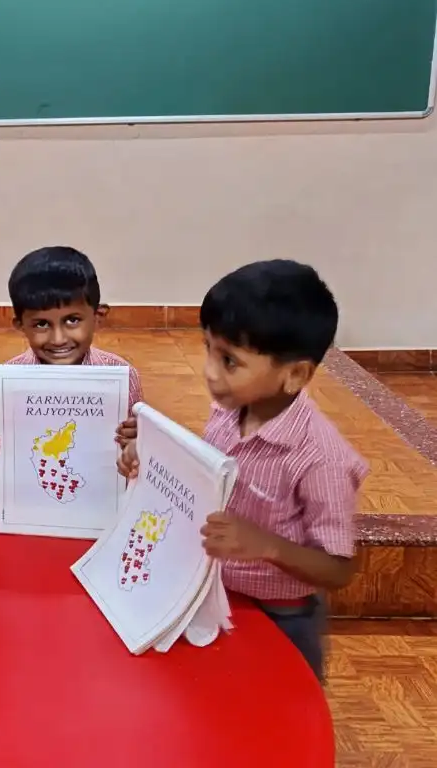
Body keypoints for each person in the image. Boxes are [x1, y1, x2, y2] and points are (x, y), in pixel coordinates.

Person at [118, 260, 366, 681]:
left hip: (282, 619)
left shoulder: (321, 459)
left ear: (295, 375)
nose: (210, 371)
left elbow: (339, 569)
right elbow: (204, 475)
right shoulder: (227, 411)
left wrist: (267, 546)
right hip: (213, 593)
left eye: (230, 360)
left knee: (282, 713)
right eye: (208, 349)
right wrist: (149, 459)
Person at [0, 246, 142, 460]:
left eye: (72, 320)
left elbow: (137, 447)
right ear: (20, 325)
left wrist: (139, 439)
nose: (58, 339)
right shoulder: (9, 379)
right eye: (41, 324)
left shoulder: (122, 375)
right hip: (34, 486)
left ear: (98, 317)